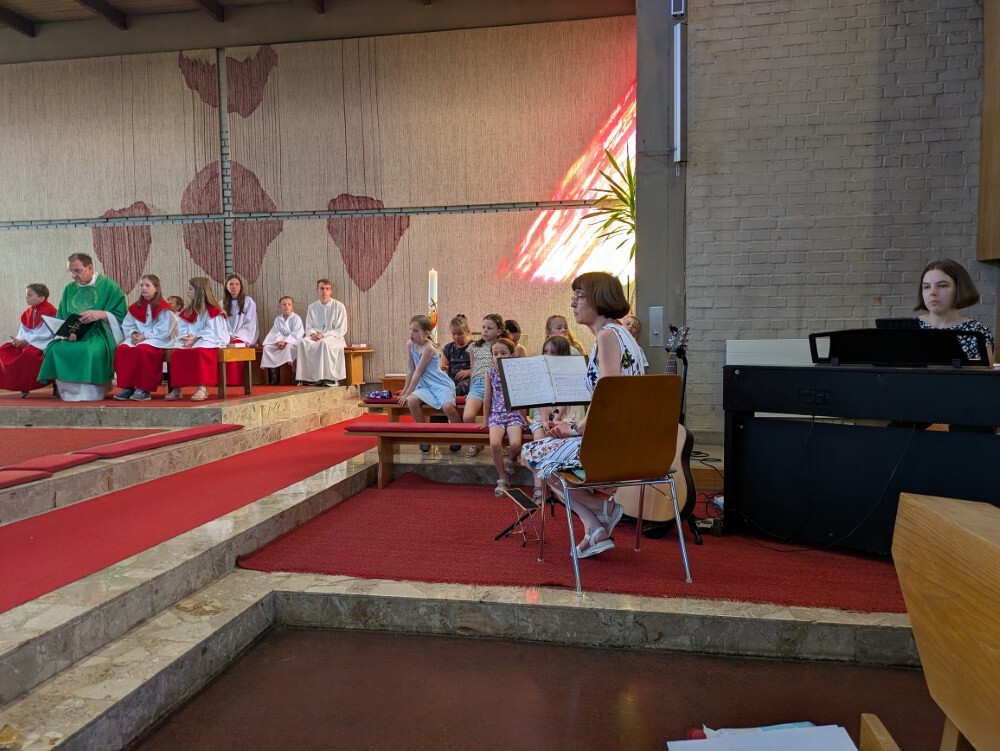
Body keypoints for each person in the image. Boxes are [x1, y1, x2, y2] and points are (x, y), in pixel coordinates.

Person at [522, 271, 645, 559]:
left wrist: (574, 428)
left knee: (533, 456)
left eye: (580, 296)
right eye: (573, 296)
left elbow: (608, 398)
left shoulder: (607, 336)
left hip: (611, 446)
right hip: (632, 440)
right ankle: (594, 526)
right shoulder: (622, 335)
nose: (573, 303)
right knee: (548, 450)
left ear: (599, 299)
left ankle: (601, 511)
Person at [38, 253, 128, 401]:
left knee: (88, 350)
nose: (74, 275)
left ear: (90, 267)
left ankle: (91, 393)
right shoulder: (69, 288)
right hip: (73, 334)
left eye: (77, 271)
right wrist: (67, 333)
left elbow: (121, 316)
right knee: (55, 348)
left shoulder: (109, 286)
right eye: (71, 271)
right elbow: (62, 316)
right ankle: (67, 392)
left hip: (99, 333)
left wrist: (101, 314)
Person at [526, 335, 586, 504]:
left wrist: (557, 418)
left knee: (564, 440)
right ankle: (539, 487)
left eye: (553, 353)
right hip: (544, 414)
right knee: (538, 441)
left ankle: (569, 485)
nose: (548, 355)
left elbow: (567, 399)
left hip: (567, 412)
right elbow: (541, 400)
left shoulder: (570, 372)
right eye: (546, 351)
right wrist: (545, 420)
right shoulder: (541, 373)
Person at [397, 315, 463, 452]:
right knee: (412, 400)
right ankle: (424, 436)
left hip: (439, 383)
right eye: (410, 329)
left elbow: (418, 372)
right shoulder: (409, 345)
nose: (411, 333)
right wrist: (405, 391)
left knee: (447, 407)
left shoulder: (428, 348)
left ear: (426, 333)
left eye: (416, 330)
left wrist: (408, 392)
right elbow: (410, 370)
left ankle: (458, 435)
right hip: (424, 385)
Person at [915, 259, 995, 364]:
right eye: (926, 287)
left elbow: (986, 372)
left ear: (959, 289)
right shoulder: (908, 328)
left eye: (942, 285)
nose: (932, 292)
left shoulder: (978, 330)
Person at [113, 274, 178, 401]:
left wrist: (145, 336)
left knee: (143, 350)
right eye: (142, 285)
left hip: (159, 339)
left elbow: (164, 329)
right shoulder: (136, 307)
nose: (143, 288)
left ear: (156, 288)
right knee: (122, 349)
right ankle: (128, 386)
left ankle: (144, 389)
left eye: (147, 285)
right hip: (139, 338)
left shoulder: (163, 307)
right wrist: (133, 333)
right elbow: (128, 324)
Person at [167, 277, 228, 401]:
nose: (187, 292)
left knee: (200, 351)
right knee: (177, 352)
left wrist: (195, 338)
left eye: (190, 289)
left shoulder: (213, 311)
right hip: (192, 340)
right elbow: (183, 328)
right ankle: (177, 388)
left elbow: (213, 331)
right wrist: (187, 338)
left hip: (209, 339)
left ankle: (202, 388)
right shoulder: (189, 311)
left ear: (200, 291)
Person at [482, 337, 529, 496]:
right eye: (495, 354)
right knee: (495, 444)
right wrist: (485, 419)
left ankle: (511, 460)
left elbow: (522, 397)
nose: (499, 356)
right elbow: (487, 397)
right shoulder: (490, 373)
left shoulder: (516, 373)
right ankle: (502, 478)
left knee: (516, 444)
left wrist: (525, 417)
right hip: (496, 414)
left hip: (514, 413)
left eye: (503, 353)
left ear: (512, 354)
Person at [0, 283, 57, 397]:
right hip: (28, 342)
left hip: (42, 343)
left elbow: (46, 333)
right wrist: (18, 340)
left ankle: (28, 385)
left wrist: (27, 341)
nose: (26, 298)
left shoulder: (51, 312)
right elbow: (23, 331)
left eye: (30, 295)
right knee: (4, 350)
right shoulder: (28, 313)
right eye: (26, 295)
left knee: (28, 355)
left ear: (41, 298)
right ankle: (20, 385)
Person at [461, 313, 505, 457]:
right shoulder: (474, 346)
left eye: (489, 328)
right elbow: (473, 368)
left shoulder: (502, 346)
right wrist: (471, 388)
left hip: (497, 385)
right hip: (478, 384)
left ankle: (502, 444)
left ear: (499, 331)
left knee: (500, 415)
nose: (485, 330)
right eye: (483, 327)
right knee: (467, 416)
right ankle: (476, 443)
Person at [296, 278, 347, 387]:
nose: (324, 291)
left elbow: (341, 329)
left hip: (333, 336)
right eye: (322, 288)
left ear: (331, 291)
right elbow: (309, 326)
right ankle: (308, 378)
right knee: (302, 342)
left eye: (327, 289)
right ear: (317, 290)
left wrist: (323, 335)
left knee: (323, 343)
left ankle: (330, 378)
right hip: (315, 336)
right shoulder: (312, 307)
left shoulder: (339, 306)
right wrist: (313, 334)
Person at [223, 274, 258, 386]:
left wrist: (237, 336)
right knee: (221, 346)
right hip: (227, 335)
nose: (234, 287)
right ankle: (223, 379)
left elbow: (250, 323)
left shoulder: (248, 302)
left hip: (244, 335)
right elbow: (221, 324)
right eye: (231, 284)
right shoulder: (222, 303)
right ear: (226, 287)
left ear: (241, 286)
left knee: (236, 345)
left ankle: (235, 380)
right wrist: (228, 335)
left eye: (237, 284)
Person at [260, 296, 304, 384]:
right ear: (279, 306)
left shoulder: (296, 318)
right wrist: (278, 341)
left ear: (292, 307)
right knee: (268, 348)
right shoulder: (278, 319)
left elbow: (297, 333)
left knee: (290, 348)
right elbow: (275, 332)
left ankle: (294, 374)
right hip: (280, 341)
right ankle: (274, 374)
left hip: (292, 341)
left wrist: (285, 341)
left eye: (289, 304)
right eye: (284, 304)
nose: (286, 306)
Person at [440, 314, 473, 397]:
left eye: (460, 334)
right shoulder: (448, 348)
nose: (456, 337)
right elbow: (445, 369)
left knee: (461, 387)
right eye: (453, 334)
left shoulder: (474, 347)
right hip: (452, 379)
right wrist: (443, 369)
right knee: (443, 387)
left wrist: (469, 372)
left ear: (468, 332)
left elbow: (481, 368)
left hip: (469, 378)